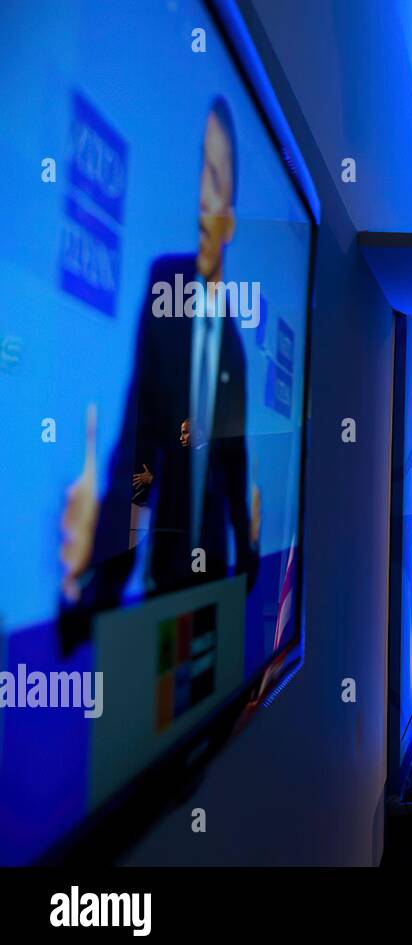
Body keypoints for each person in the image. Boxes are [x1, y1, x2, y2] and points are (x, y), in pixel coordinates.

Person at [59, 97, 258, 638]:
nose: (201, 195)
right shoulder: (164, 285)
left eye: (216, 179)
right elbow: (137, 454)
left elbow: (235, 464)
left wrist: (249, 552)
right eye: (201, 171)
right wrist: (104, 582)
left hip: (213, 573)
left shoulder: (236, 351)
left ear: (232, 218)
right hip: (158, 586)